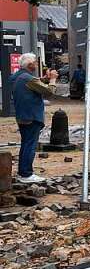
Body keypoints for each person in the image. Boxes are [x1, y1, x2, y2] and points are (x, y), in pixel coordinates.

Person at [11, 53, 56, 184]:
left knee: (25, 144)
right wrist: (52, 79)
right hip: (32, 116)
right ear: (30, 65)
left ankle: (23, 172)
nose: (37, 65)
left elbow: (34, 82)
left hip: (22, 115)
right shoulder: (28, 79)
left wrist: (44, 79)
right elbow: (49, 92)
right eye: (35, 62)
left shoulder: (17, 76)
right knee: (30, 145)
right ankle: (26, 174)